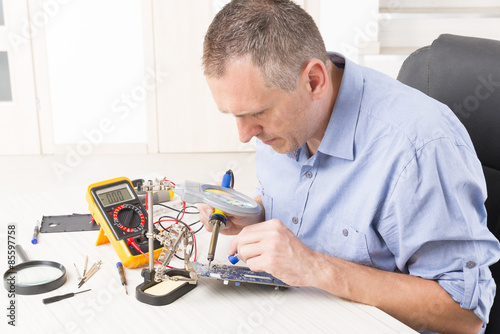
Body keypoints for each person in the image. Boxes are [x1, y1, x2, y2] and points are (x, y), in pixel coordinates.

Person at [198, 0, 500, 333]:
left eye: (255, 114)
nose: (244, 135)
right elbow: (309, 206)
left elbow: (465, 315)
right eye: (235, 115)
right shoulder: (282, 119)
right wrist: (253, 213)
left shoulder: (418, 147)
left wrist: (316, 268)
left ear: (314, 81)